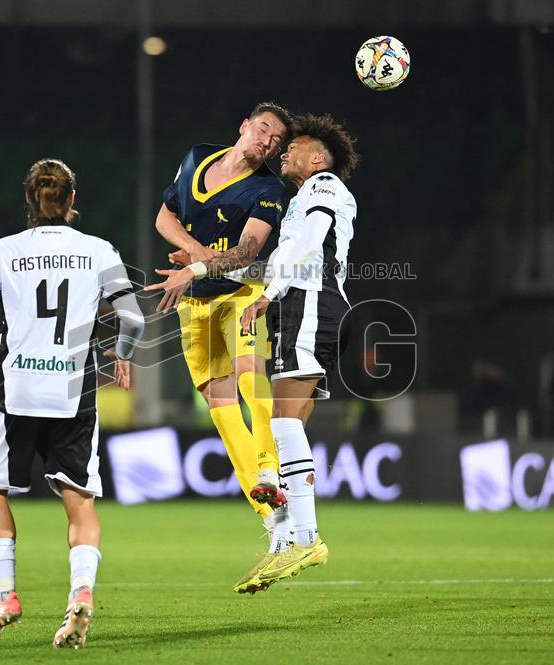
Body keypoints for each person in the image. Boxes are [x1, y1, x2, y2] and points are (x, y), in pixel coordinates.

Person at [0, 159, 143, 649]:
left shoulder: (1, 251)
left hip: (16, 389)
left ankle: (5, 597)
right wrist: (120, 356)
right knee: (80, 503)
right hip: (74, 390)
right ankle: (80, 594)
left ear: (29, 201)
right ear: (71, 202)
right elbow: (134, 320)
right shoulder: (99, 250)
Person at [144, 102, 293, 593]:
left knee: (252, 372)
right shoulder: (197, 158)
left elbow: (250, 251)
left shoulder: (269, 190)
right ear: (244, 126)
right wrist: (198, 257)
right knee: (219, 403)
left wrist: (197, 263)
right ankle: (270, 513)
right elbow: (164, 217)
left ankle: (270, 465)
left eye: (276, 141)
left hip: (243, 292)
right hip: (195, 301)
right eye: (264, 130)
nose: (268, 143)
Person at [238, 113, 360, 589]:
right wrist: (210, 270)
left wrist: (270, 294)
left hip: (310, 302)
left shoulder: (323, 186)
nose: (283, 152)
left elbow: (310, 243)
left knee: (283, 423)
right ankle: (286, 541)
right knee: (290, 426)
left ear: (315, 158)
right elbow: (282, 256)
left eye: (293, 147)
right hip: (306, 305)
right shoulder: (302, 199)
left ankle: (306, 537)